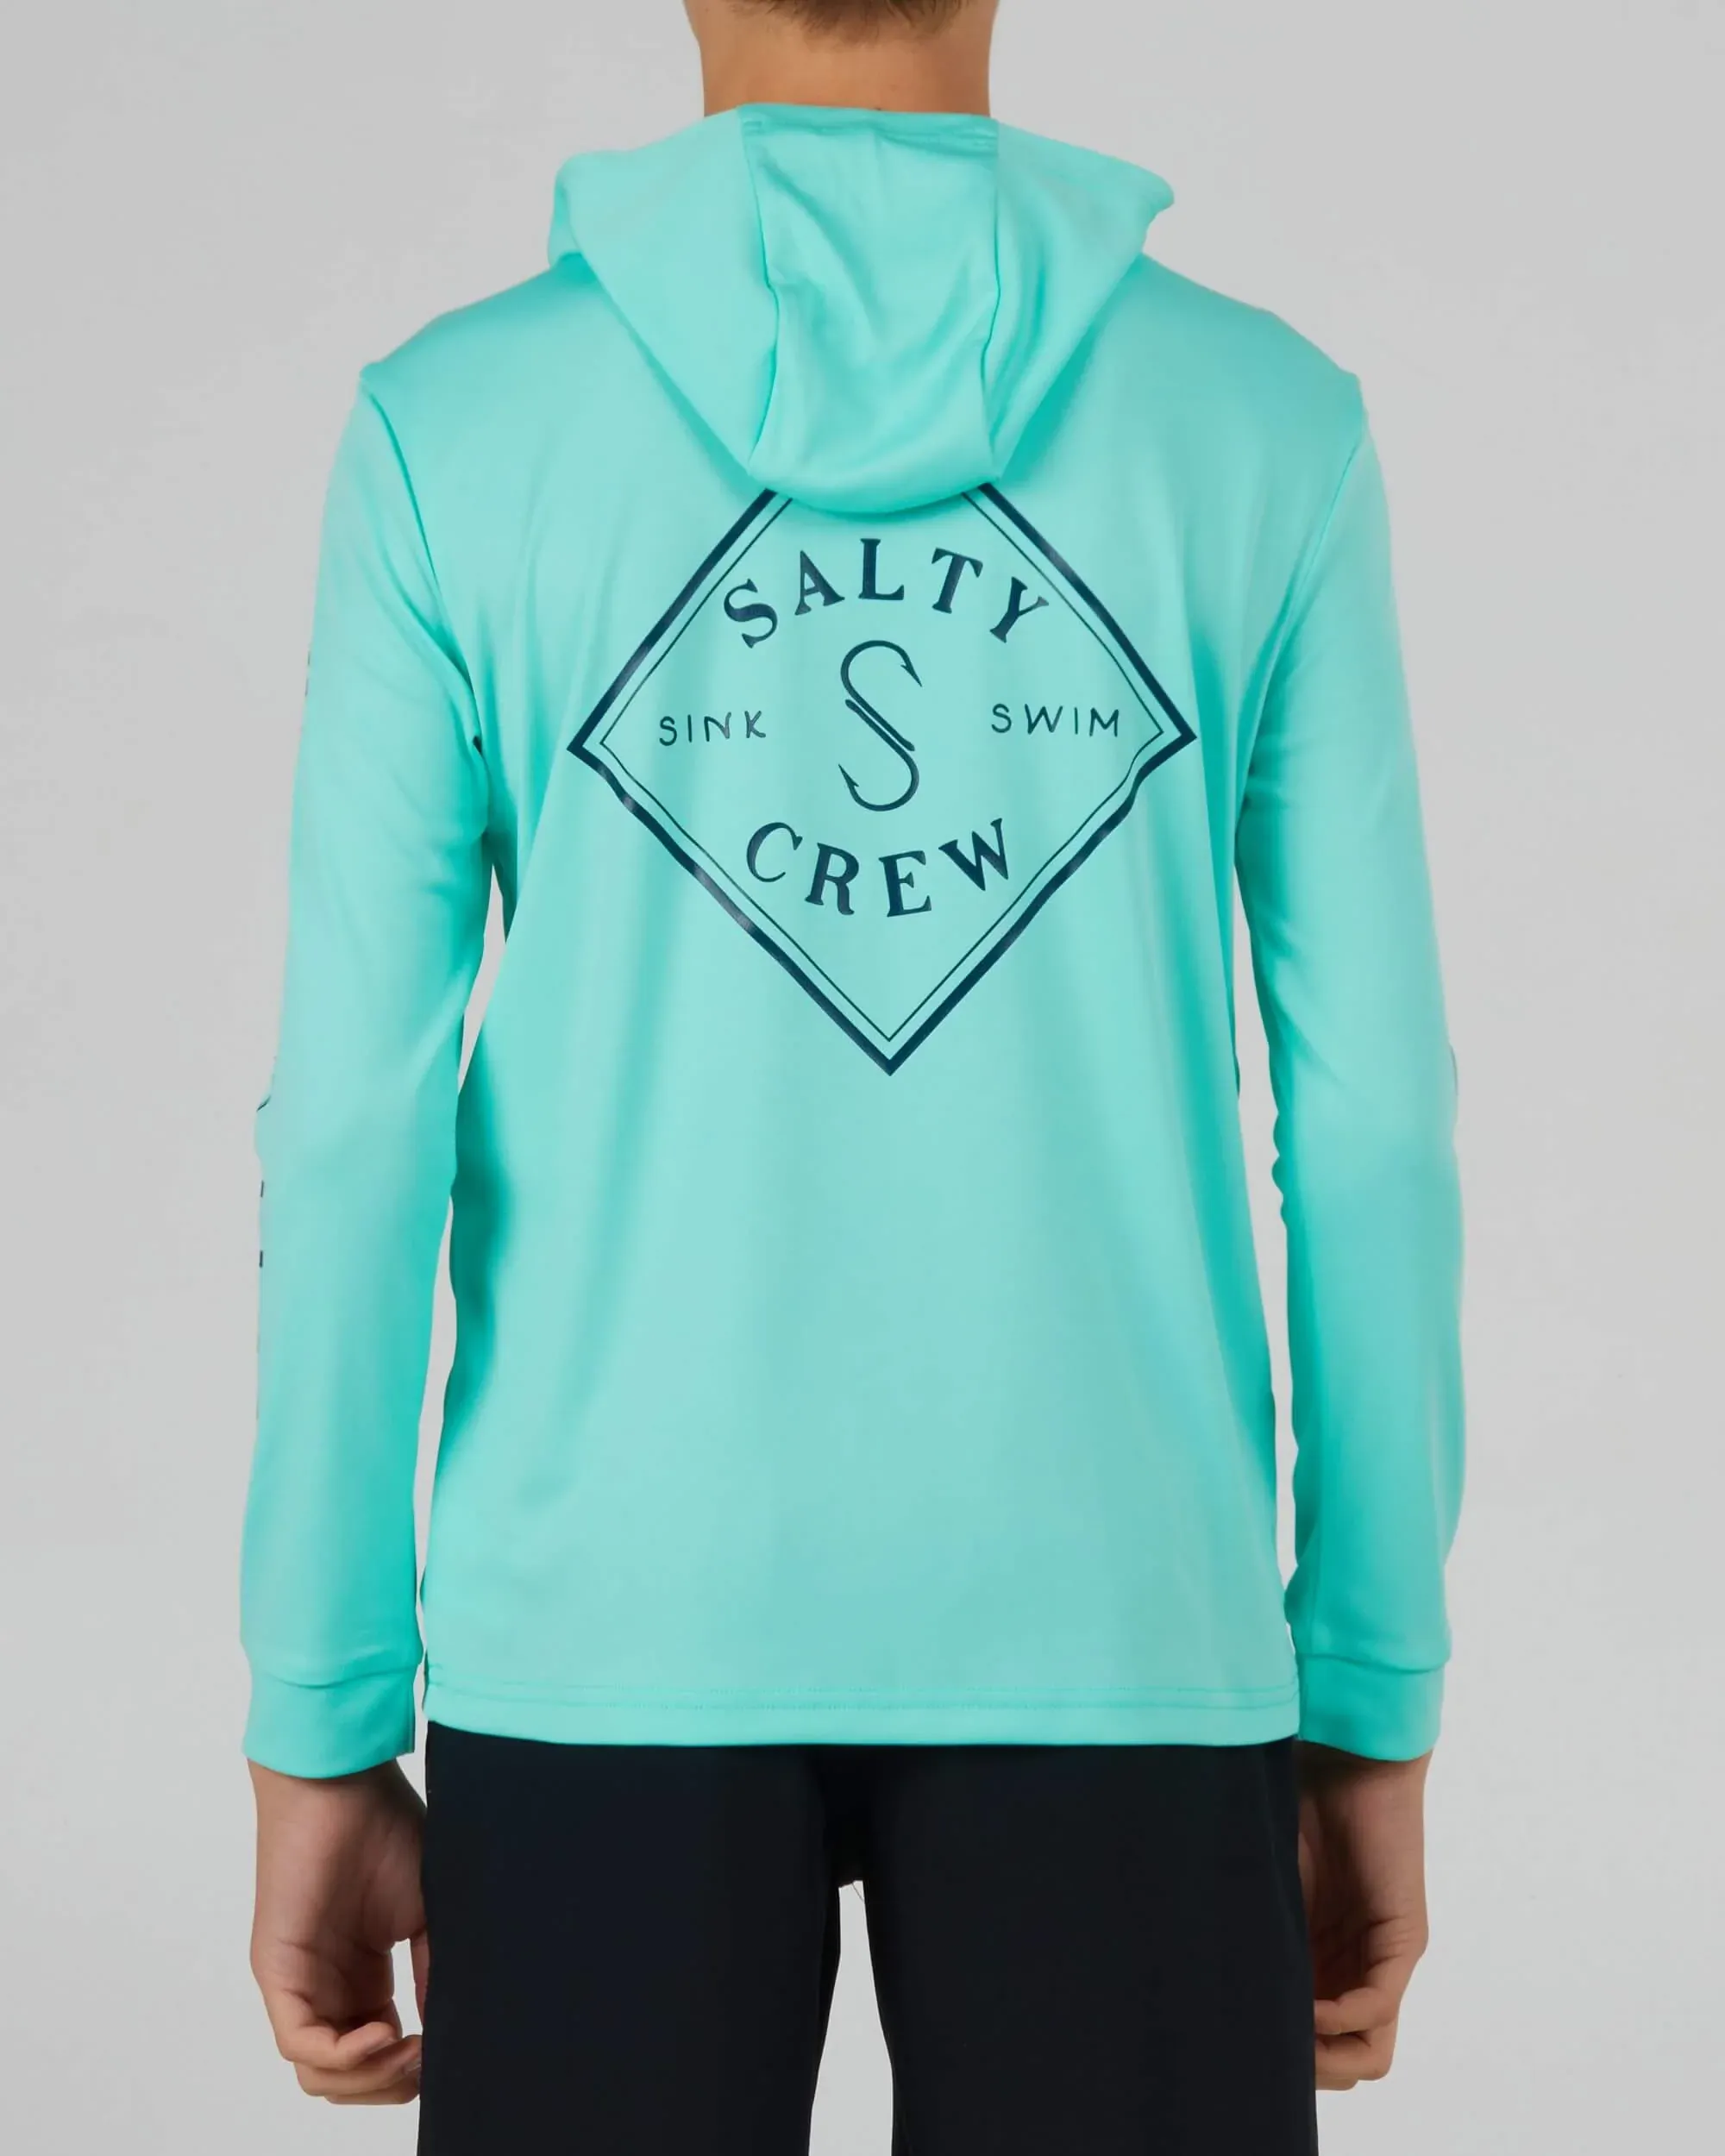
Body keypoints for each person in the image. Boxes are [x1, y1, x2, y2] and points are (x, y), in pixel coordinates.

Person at [242, 0, 1465, 2147]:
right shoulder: (1266, 429)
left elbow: (355, 1129)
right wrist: (1366, 1688)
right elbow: (1368, 1123)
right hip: (1124, 1624)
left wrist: (320, 1707)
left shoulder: (455, 431)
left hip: (605, 1627)